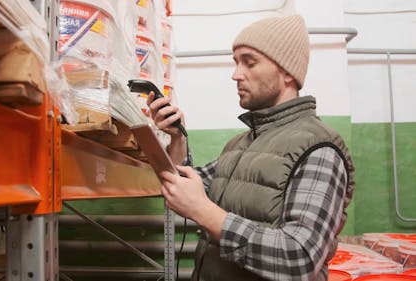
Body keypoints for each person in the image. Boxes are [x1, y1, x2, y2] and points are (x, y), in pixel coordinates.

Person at [147, 14, 355, 281]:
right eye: (236, 63)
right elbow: (181, 188)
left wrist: (203, 211)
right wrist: (177, 138)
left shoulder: (320, 147)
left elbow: (299, 257)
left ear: (287, 72)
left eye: (250, 62)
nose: (236, 74)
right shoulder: (239, 145)